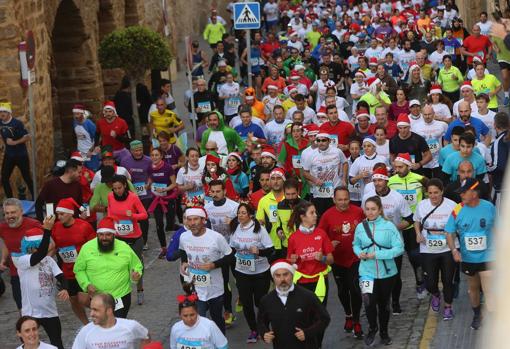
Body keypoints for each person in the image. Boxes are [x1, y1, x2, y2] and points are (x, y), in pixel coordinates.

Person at [445, 178, 496, 330]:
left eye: (464, 192)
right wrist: (454, 250)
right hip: (468, 257)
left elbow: (497, 227)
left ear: (474, 193)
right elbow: (449, 232)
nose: (461, 195)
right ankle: (477, 314)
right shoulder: (457, 209)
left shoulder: (489, 207)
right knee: (473, 288)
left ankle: (493, 318)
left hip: (488, 255)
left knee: (488, 286)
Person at [353, 196, 404, 346]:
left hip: (387, 273)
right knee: (368, 302)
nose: (370, 212)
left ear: (380, 210)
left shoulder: (389, 226)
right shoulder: (360, 227)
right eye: (367, 209)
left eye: (373, 209)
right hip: (366, 272)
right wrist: (358, 253)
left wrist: (378, 255)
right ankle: (372, 328)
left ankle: (384, 332)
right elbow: (355, 244)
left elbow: (399, 249)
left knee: (383, 304)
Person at [13, 217, 68, 349]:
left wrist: (65, 288)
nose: (36, 250)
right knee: (30, 343)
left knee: (57, 343)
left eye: (38, 247)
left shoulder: (49, 260)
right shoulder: (22, 260)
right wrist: (47, 231)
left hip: (50, 311)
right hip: (31, 313)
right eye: (34, 248)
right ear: (28, 247)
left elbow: (61, 276)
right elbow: (39, 255)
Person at [73, 217, 143, 318]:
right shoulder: (87, 248)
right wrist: (86, 285)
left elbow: (137, 265)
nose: (104, 238)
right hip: (98, 298)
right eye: (101, 235)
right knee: (102, 328)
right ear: (97, 234)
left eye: (108, 235)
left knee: (117, 327)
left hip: (121, 296)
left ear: (114, 235)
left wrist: (136, 276)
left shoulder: (124, 247)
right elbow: (79, 270)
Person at [318, 186, 365, 338]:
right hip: (337, 260)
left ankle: (357, 321)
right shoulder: (327, 215)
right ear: (334, 200)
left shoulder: (358, 211)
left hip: (356, 258)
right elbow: (320, 237)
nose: (343, 202)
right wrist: (329, 245)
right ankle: (348, 314)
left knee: (355, 288)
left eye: (346, 199)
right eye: (340, 200)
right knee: (342, 290)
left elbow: (368, 229)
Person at [178, 207, 234, 334]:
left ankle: (221, 343)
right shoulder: (184, 237)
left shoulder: (216, 237)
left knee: (216, 318)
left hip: (214, 287)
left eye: (196, 219)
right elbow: (183, 250)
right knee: (199, 319)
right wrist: (184, 262)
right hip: (196, 287)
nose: (192, 223)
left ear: (203, 220)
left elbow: (230, 256)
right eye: (189, 220)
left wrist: (214, 265)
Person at [287, 202, 334, 347]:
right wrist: (292, 260)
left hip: (320, 281)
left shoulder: (321, 234)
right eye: (312, 213)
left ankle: (317, 344)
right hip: (302, 284)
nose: (315, 215)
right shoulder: (294, 237)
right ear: (302, 217)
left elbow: (331, 259)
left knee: (320, 317)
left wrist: (323, 258)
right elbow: (290, 260)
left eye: (315, 212)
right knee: (304, 316)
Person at [257, 259, 331, 349]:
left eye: (285, 274)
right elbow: (261, 321)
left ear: (292, 275)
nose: (282, 279)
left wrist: (308, 333)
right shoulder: (267, 300)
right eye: (278, 275)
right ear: (273, 278)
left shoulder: (307, 296)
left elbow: (324, 318)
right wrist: (264, 333)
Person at [229, 203, 274, 343]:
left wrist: (259, 252)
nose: (240, 215)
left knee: (260, 302)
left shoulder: (259, 229)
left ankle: (264, 328)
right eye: (239, 213)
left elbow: (271, 250)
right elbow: (232, 249)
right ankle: (254, 330)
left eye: (243, 213)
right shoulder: (235, 227)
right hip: (242, 272)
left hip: (261, 272)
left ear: (250, 215)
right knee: (247, 303)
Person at [414, 179, 457, 320]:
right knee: (430, 281)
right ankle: (435, 294)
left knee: (447, 280)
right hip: (428, 248)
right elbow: (417, 221)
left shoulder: (452, 205)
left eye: (436, 193)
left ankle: (448, 307)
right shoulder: (422, 205)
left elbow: (460, 224)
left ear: (442, 191)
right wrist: (418, 234)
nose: (433, 196)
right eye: (430, 193)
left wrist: (451, 233)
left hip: (448, 248)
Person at [51, 198, 95, 324]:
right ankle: (86, 324)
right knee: (74, 300)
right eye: (58, 214)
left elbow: (94, 247)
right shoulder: (56, 227)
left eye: (62, 214)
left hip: (85, 270)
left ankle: (103, 312)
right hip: (68, 271)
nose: (59, 217)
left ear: (70, 213)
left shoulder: (84, 226)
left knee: (84, 298)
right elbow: (54, 247)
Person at [107, 174, 148, 303]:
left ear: (125, 186)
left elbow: (144, 215)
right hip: (119, 237)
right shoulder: (110, 197)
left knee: (136, 266)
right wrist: (111, 222)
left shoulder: (133, 197)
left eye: (119, 187)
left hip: (135, 237)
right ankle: (121, 293)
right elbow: (109, 212)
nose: (117, 191)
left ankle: (140, 289)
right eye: (114, 188)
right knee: (120, 266)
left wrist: (133, 216)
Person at [0, 198, 43, 311]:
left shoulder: (34, 224)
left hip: (35, 272)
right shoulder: (2, 228)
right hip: (16, 273)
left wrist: (41, 261)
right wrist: (3, 259)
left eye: (13, 212)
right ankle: (27, 328)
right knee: (22, 308)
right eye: (7, 213)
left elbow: (51, 245)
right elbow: (5, 243)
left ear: (21, 211)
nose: (10, 216)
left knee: (39, 309)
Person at [72, 293, 150, 349]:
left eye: (96, 310)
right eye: (91, 309)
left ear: (109, 311)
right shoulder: (86, 331)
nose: (91, 314)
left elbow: (146, 336)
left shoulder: (130, 326)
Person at [302, 132, 348, 217]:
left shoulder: (337, 152)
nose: (321, 143)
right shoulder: (310, 155)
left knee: (335, 216)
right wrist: (314, 180)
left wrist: (344, 178)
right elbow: (305, 172)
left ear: (329, 141)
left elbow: (345, 162)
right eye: (318, 140)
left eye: (323, 140)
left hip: (335, 190)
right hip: (319, 192)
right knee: (320, 216)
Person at [170, 283, 228, 349]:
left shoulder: (209, 326)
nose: (189, 319)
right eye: (185, 316)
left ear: (197, 312)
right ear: (180, 315)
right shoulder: (176, 328)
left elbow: (223, 346)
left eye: (192, 315)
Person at [147, 147, 178, 257]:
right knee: (159, 224)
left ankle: (178, 231)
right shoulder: (150, 168)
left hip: (168, 198)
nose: (154, 157)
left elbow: (174, 184)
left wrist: (165, 189)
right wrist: (148, 184)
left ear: (161, 156)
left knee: (169, 225)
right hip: (156, 199)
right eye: (152, 155)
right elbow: (151, 178)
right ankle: (164, 248)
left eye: (156, 155)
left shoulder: (168, 167)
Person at [0, 102, 34, 199]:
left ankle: (35, 199)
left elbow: (27, 137)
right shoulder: (0, 122)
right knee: (4, 178)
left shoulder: (17, 123)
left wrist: (14, 143)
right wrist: (3, 143)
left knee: (27, 177)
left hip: (21, 155)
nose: (2, 114)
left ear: (9, 113)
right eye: (0, 112)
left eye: (4, 112)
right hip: (9, 155)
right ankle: (10, 200)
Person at [412, 105, 448, 179]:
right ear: (422, 114)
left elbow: (447, 140)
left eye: (429, 114)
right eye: (425, 114)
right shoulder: (416, 126)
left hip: (438, 160)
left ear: (434, 113)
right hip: (424, 160)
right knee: (426, 183)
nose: (427, 116)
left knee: (438, 182)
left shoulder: (443, 125)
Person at [256, 168, 286, 257]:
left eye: (279, 178)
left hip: (289, 243)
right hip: (272, 244)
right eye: (273, 179)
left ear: (284, 180)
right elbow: (259, 222)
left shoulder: (291, 197)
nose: (275, 181)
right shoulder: (263, 201)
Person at [489, 112, 510, 208]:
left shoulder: (499, 142)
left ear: (495, 125)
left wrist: (488, 168)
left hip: (502, 187)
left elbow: (498, 166)